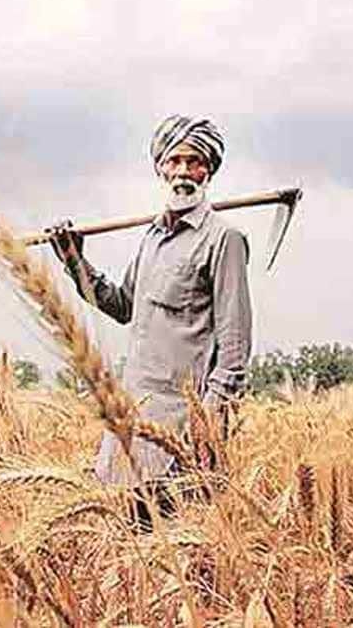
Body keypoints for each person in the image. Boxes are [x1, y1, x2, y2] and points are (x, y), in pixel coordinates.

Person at [47, 114, 253, 529]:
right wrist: (74, 260)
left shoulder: (223, 239)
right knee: (126, 541)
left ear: (208, 170)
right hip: (132, 419)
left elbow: (235, 350)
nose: (183, 171)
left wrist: (208, 424)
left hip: (183, 429)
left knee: (182, 544)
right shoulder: (152, 239)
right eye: (174, 160)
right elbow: (122, 305)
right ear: (160, 168)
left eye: (194, 161)